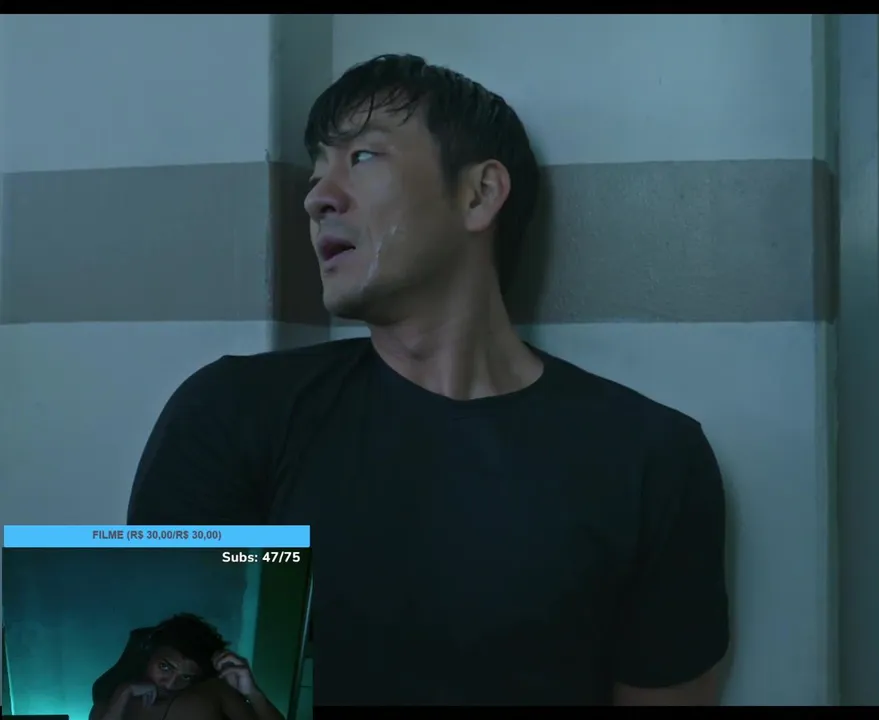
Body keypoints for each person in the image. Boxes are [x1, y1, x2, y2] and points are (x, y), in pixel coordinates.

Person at [127, 54, 729, 706]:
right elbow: (176, 665)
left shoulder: (650, 458)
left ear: (479, 194)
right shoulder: (233, 413)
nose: (316, 197)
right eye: (318, 170)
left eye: (362, 157)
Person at [89, 614, 284, 720]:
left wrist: (253, 693)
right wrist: (123, 696)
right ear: (149, 655)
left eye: (186, 677)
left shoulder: (212, 694)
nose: (170, 684)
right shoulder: (113, 698)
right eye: (165, 667)